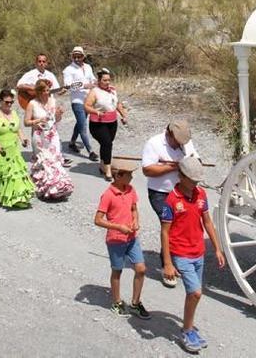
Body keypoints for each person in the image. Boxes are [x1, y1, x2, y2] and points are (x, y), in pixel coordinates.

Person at [160, 156, 225, 353]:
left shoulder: (201, 195)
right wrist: (168, 263)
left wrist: (217, 248)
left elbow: (207, 222)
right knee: (196, 292)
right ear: (181, 176)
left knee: (193, 294)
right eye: (193, 179)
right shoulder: (172, 200)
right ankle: (187, 330)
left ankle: (188, 327)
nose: (196, 183)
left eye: (198, 180)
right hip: (181, 254)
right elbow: (164, 232)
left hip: (199, 252)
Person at [142, 120, 200, 288]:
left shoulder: (186, 144)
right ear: (168, 134)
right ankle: (167, 265)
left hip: (182, 192)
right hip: (160, 193)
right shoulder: (154, 143)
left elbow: (195, 159)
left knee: (180, 227)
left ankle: (177, 261)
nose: (180, 145)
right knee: (170, 226)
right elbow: (147, 170)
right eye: (177, 142)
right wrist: (173, 167)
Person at [93, 158, 151, 319]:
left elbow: (134, 209)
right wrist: (118, 227)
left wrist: (136, 220)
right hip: (116, 240)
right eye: (129, 174)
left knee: (141, 269)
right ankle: (117, 301)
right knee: (117, 271)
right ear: (118, 176)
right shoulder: (108, 195)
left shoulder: (130, 190)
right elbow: (97, 219)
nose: (132, 177)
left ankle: (135, 302)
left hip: (132, 238)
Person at [0, 89, 35, 208]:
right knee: (4, 173)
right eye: (6, 102)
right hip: (0, 148)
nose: (9, 104)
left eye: (11, 102)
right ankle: (0, 192)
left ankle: (17, 198)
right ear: (0, 101)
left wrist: (23, 139)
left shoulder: (14, 113)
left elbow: (18, 129)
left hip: (13, 148)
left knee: (16, 173)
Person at [24, 79, 73, 200]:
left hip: (52, 135)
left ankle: (57, 188)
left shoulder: (53, 101)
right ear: (39, 92)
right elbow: (26, 122)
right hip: (39, 136)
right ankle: (44, 188)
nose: (47, 93)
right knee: (43, 162)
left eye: (48, 90)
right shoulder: (32, 104)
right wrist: (38, 121)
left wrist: (59, 114)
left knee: (54, 160)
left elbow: (56, 120)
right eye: (44, 91)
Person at [85, 68, 128, 181]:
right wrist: (96, 111)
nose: (107, 82)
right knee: (107, 143)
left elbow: (117, 103)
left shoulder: (113, 90)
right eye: (104, 80)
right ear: (99, 80)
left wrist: (123, 115)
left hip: (112, 122)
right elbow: (87, 106)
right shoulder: (94, 91)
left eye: (109, 80)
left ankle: (102, 165)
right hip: (98, 124)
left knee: (106, 144)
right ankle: (108, 171)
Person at [63, 46, 98, 161]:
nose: (77, 59)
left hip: (88, 100)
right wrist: (84, 85)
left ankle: (72, 142)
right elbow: (68, 85)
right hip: (77, 101)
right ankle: (91, 151)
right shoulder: (68, 70)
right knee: (83, 125)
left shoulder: (87, 67)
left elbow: (92, 78)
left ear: (83, 57)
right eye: (75, 56)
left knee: (80, 123)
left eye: (79, 56)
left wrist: (95, 82)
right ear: (72, 57)